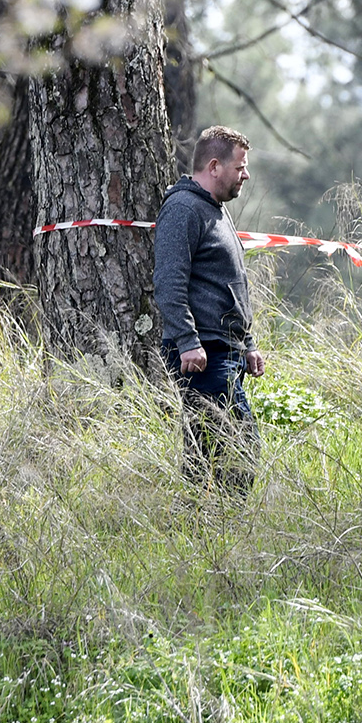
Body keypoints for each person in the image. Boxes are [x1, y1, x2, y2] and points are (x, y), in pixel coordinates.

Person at [154, 126, 266, 494]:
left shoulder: (214, 209)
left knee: (206, 456)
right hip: (201, 356)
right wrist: (187, 341)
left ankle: (195, 523)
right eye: (240, 167)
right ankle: (221, 522)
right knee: (239, 447)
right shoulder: (183, 209)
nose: (245, 175)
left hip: (223, 352)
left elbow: (230, 284)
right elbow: (168, 282)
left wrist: (247, 344)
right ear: (214, 166)